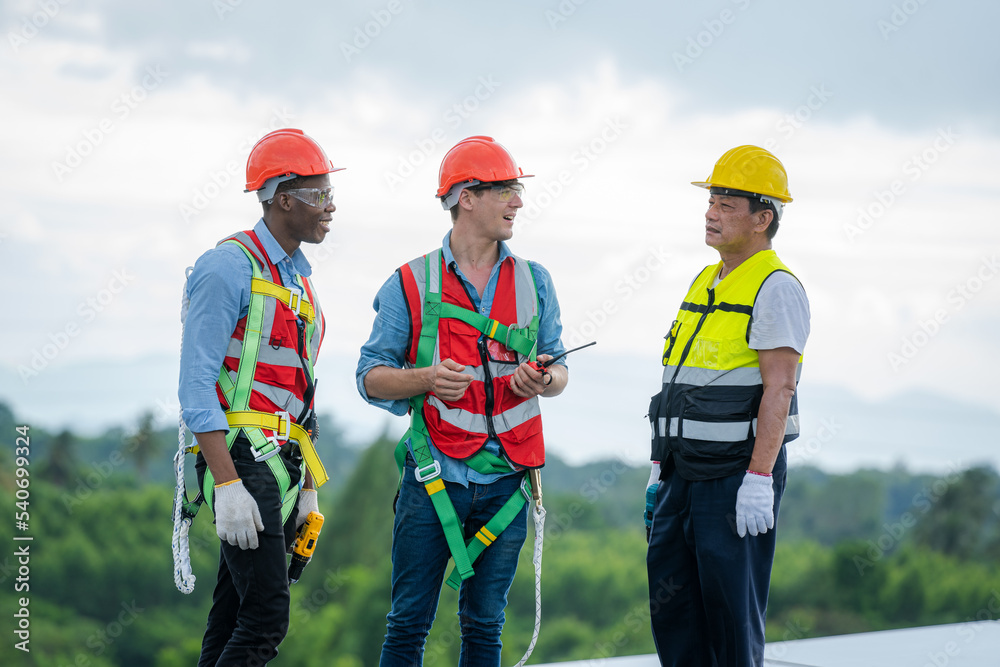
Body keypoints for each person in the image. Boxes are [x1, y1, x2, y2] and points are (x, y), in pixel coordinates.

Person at [357, 135, 568, 665]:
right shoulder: (410, 281)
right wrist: (425, 379)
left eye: (518, 190)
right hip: (434, 478)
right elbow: (370, 377)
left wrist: (543, 379)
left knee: (485, 626)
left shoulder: (535, 280)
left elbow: (560, 367)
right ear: (467, 197)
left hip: (508, 483)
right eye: (506, 190)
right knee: (407, 625)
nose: (518, 201)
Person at [179, 128, 342, 665]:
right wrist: (226, 482)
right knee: (267, 618)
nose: (331, 207)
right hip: (243, 461)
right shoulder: (227, 267)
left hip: (282, 465)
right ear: (283, 198)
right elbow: (195, 385)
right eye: (319, 195)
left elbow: (300, 387)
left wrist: (309, 488)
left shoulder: (297, 279)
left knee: (232, 617)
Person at [645, 145, 810, 666]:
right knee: (675, 617)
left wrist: (759, 480)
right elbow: (677, 380)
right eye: (712, 200)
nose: (711, 212)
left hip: (734, 481)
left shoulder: (775, 287)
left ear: (764, 218)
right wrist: (657, 471)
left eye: (727, 204)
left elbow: (779, 390)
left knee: (729, 622)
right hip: (681, 475)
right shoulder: (707, 278)